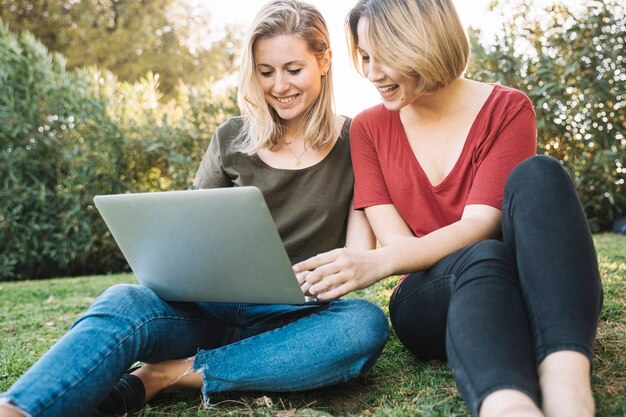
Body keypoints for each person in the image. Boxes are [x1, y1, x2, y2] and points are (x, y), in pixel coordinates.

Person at [0, 1, 390, 416]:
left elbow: (357, 255)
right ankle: (20, 409)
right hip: (210, 310)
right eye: (265, 72)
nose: (279, 86)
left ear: (324, 61)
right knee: (124, 301)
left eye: (293, 70)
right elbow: (188, 234)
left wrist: (339, 273)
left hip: (295, 320)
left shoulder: (357, 139)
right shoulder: (232, 137)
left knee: (363, 323)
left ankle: (163, 375)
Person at [293, 0, 603, 416]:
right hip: (431, 296)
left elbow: (481, 222)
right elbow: (397, 241)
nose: (371, 72)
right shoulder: (368, 128)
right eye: (364, 56)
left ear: (423, 43)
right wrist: (378, 259)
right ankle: (508, 407)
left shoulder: (508, 108)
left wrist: (375, 263)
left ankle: (569, 391)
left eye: (385, 56)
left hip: (525, 291)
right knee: (485, 256)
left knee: (540, 174)